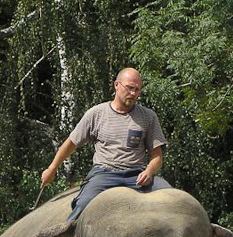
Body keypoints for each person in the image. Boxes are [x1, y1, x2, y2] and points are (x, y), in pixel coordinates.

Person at [40, 67, 171, 220]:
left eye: (137, 90)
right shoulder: (96, 114)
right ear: (117, 85)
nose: (133, 93)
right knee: (83, 205)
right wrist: (52, 169)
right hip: (104, 174)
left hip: (137, 175)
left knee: (172, 198)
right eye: (129, 88)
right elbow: (71, 144)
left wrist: (149, 172)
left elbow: (157, 156)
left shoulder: (148, 117)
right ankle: (68, 233)